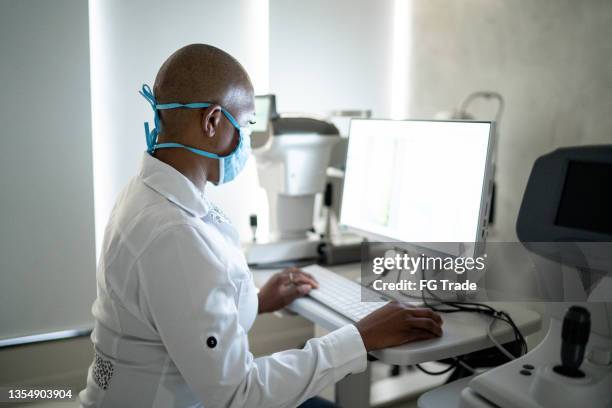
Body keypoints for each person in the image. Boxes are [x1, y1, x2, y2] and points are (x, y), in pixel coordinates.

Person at [79, 43, 443, 408]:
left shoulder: (145, 192)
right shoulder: (175, 234)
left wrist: (258, 300)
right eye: (248, 125)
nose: (248, 143)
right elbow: (240, 395)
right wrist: (361, 338)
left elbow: (187, 311)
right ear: (212, 121)